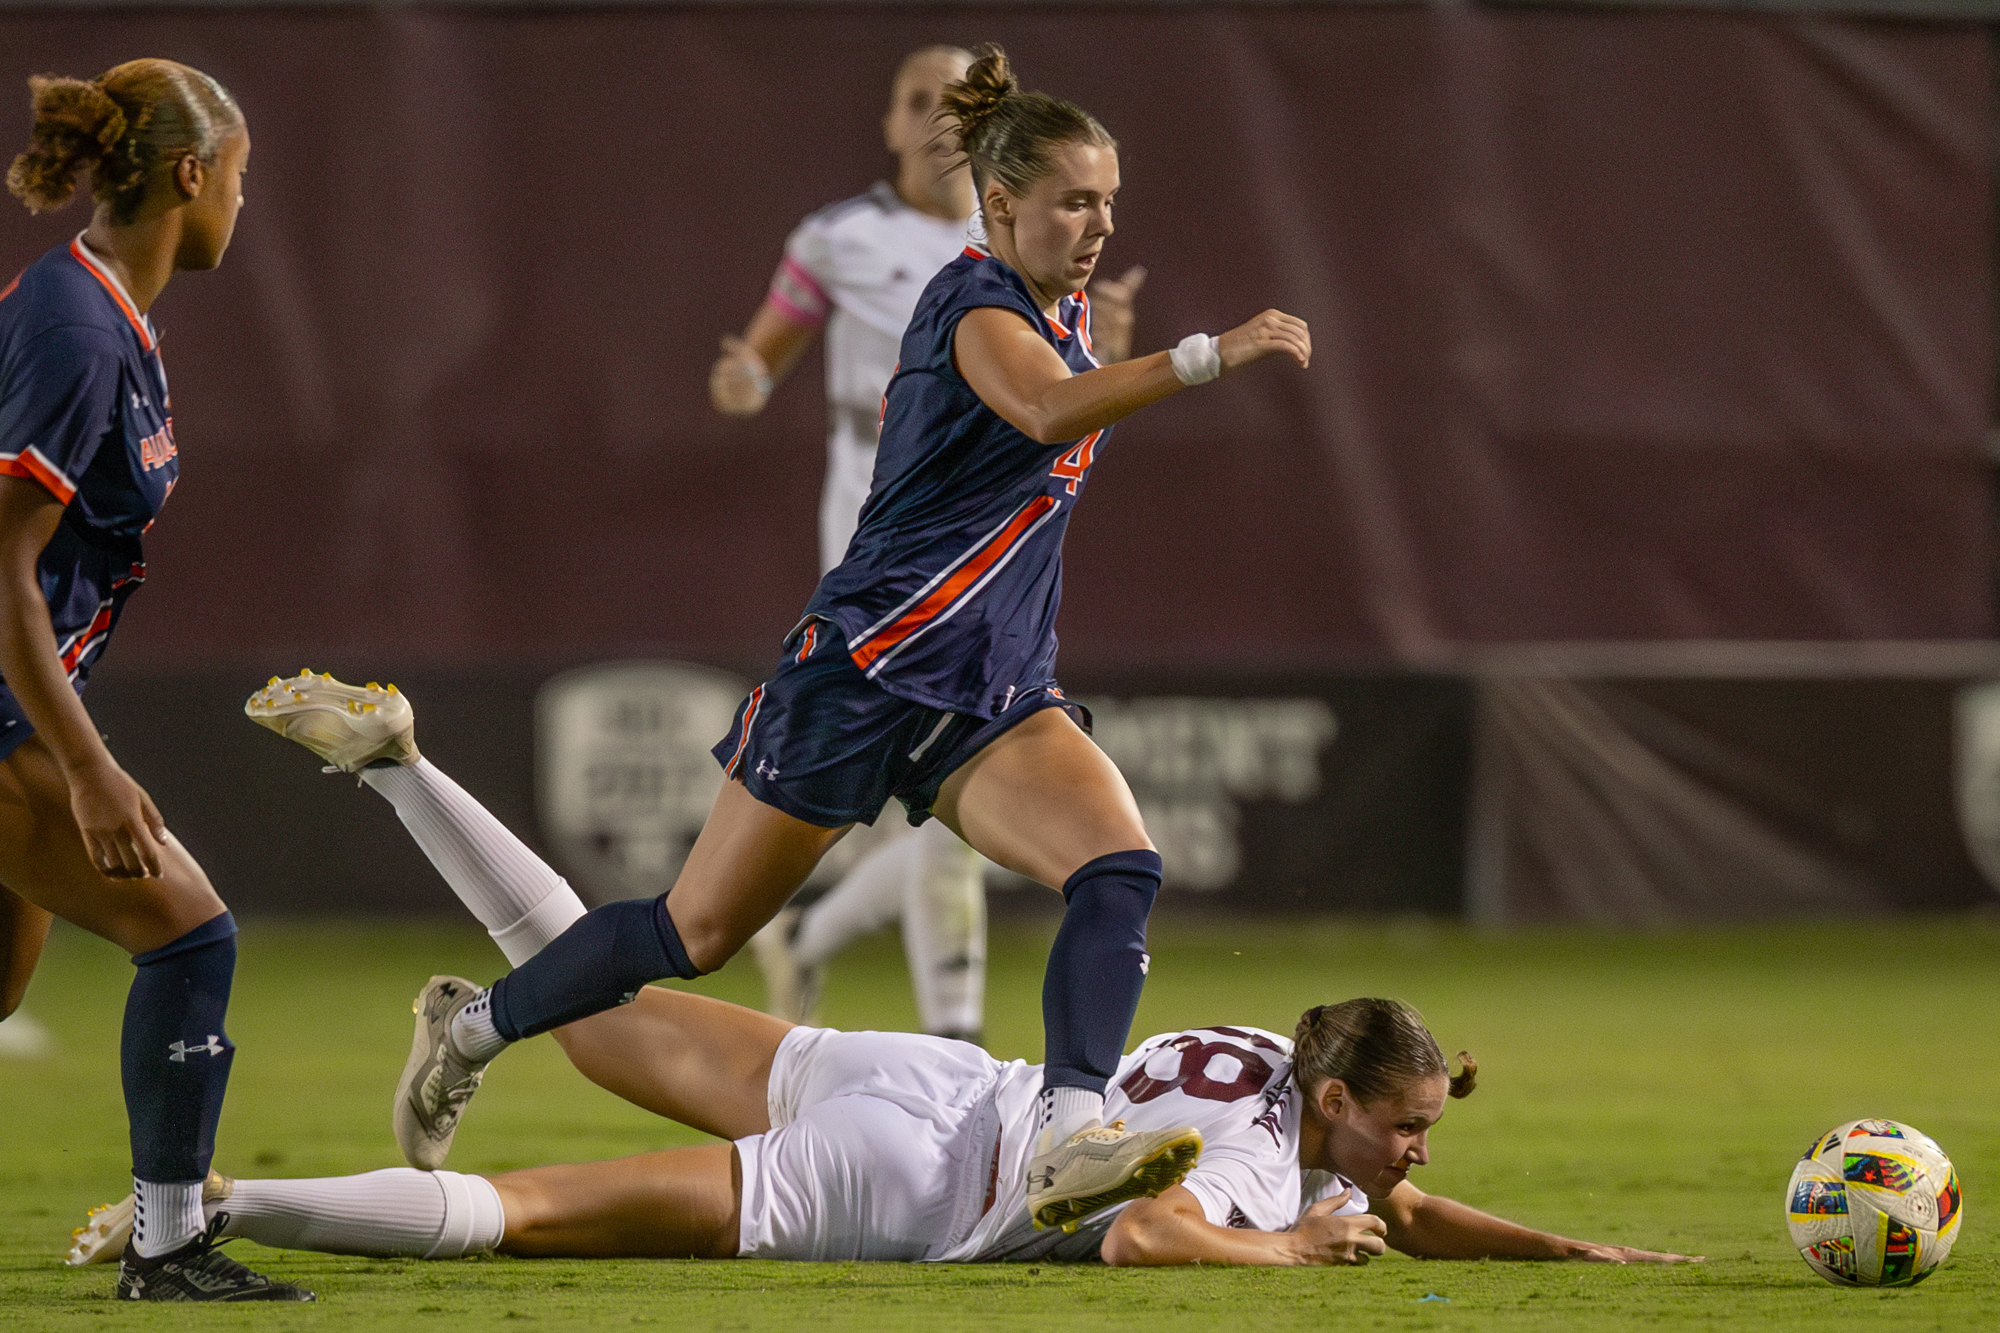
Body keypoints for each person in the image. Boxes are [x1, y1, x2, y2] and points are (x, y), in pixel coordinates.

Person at [359, 44, 1313, 1234]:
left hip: (984, 690)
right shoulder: (969, 300)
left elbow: (1057, 437)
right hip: (861, 671)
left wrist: (1107, 347)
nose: (1100, 221)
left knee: (1116, 869)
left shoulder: (1060, 307)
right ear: (1001, 201)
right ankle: (471, 1028)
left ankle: (1071, 1133)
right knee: (689, 934)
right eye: (1076, 199)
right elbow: (1042, 409)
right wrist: (1199, 355)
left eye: (1110, 199)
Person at [75, 694, 1696, 1269]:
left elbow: (1391, 1206)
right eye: (1406, 1127)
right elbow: (1146, 1227)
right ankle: (213, 1208)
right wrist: (1293, 1256)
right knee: (534, 1210)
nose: (1416, 1158)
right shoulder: (1269, 1163)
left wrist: (1574, 1242)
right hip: (913, 1172)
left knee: (593, 1007)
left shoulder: (1266, 1056)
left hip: (925, 1077)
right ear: (1332, 1102)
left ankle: (405, 771)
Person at [710, 44, 1145, 1045]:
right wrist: (742, 378)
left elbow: (1057, 405)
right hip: (877, 527)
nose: (930, 117)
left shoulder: (1029, 234)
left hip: (988, 525)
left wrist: (1106, 356)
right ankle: (942, 1031)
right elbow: (761, 356)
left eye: (948, 100)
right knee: (927, 791)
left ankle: (907, 1001)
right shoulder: (836, 239)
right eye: (914, 100)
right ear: (889, 121)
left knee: (951, 794)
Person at [0, 61, 312, 1301]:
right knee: (190, 933)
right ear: (190, 175)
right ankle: (170, 1243)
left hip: (23, 693)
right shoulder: (77, 327)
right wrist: (88, 766)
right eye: (240, 174)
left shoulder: (103, 314)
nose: (244, 199)